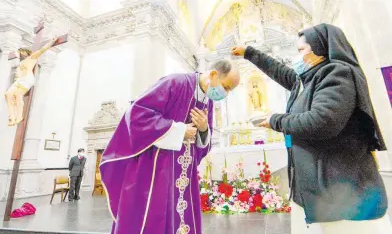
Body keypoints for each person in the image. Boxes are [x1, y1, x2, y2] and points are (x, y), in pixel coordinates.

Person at [232, 23, 391, 234]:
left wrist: (276, 121)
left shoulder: (336, 74)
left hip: (342, 193)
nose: (298, 56)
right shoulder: (310, 79)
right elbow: (281, 72)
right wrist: (249, 53)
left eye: (302, 50)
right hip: (321, 190)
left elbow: (322, 122)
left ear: (320, 46)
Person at [100, 60, 240, 234]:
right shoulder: (175, 83)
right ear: (213, 75)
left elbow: (204, 143)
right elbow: (137, 114)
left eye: (229, 91)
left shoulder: (208, 101)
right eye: (226, 87)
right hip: (155, 170)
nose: (225, 94)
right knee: (153, 219)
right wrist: (179, 130)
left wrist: (204, 130)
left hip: (182, 175)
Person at [4, 37, 57, 126]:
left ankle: (19, 116)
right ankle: (12, 115)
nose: (21, 53)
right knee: (8, 94)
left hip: (27, 79)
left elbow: (43, 49)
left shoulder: (32, 57)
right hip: (19, 80)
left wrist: (52, 42)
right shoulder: (21, 61)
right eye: (20, 52)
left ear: (26, 52)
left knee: (18, 95)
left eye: (22, 51)